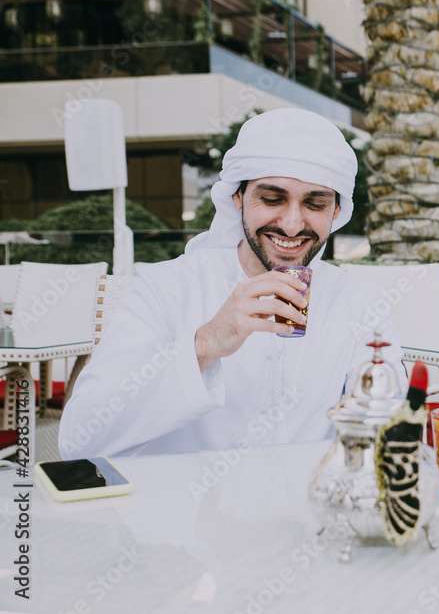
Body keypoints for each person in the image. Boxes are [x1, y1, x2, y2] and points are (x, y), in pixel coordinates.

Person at [60, 108, 404, 458]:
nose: (291, 224)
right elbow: (79, 440)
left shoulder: (361, 304)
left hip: (313, 507)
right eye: (271, 199)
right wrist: (204, 345)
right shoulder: (163, 288)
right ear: (237, 197)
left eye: (315, 204)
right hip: (187, 509)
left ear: (336, 212)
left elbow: (389, 426)